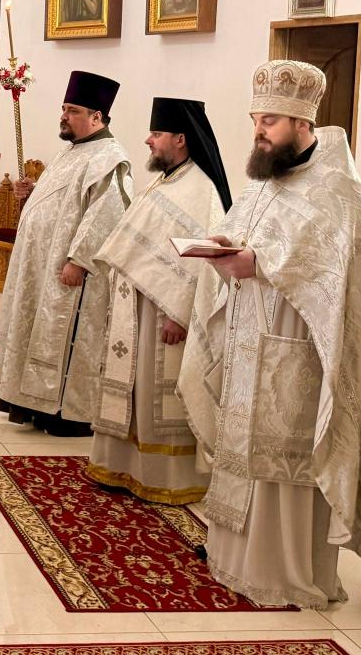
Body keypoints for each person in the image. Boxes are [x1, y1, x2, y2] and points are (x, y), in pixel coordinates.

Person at [180, 59, 361, 608]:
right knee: (241, 448)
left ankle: (283, 571)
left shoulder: (338, 189)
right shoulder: (266, 178)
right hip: (248, 338)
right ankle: (234, 555)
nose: (258, 131)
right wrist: (224, 246)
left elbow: (335, 271)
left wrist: (261, 263)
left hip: (299, 351)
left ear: (302, 122)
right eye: (255, 120)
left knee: (282, 457)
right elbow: (243, 232)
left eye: (269, 121)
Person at [85, 98, 231, 504]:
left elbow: (202, 264)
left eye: (157, 133)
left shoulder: (201, 189)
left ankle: (165, 476)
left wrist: (179, 314)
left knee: (155, 398)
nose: (148, 140)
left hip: (163, 316)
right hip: (135, 310)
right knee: (133, 393)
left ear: (180, 139)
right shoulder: (165, 181)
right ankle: (123, 465)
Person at [0, 71, 132, 436]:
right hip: (41, 268)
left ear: (96, 116)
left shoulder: (110, 159)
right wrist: (32, 192)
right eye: (64, 108)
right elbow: (66, 202)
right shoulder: (73, 151)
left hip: (70, 273)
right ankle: (31, 404)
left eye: (73, 110)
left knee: (61, 336)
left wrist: (79, 260)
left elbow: (107, 215)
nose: (64, 116)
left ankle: (64, 415)